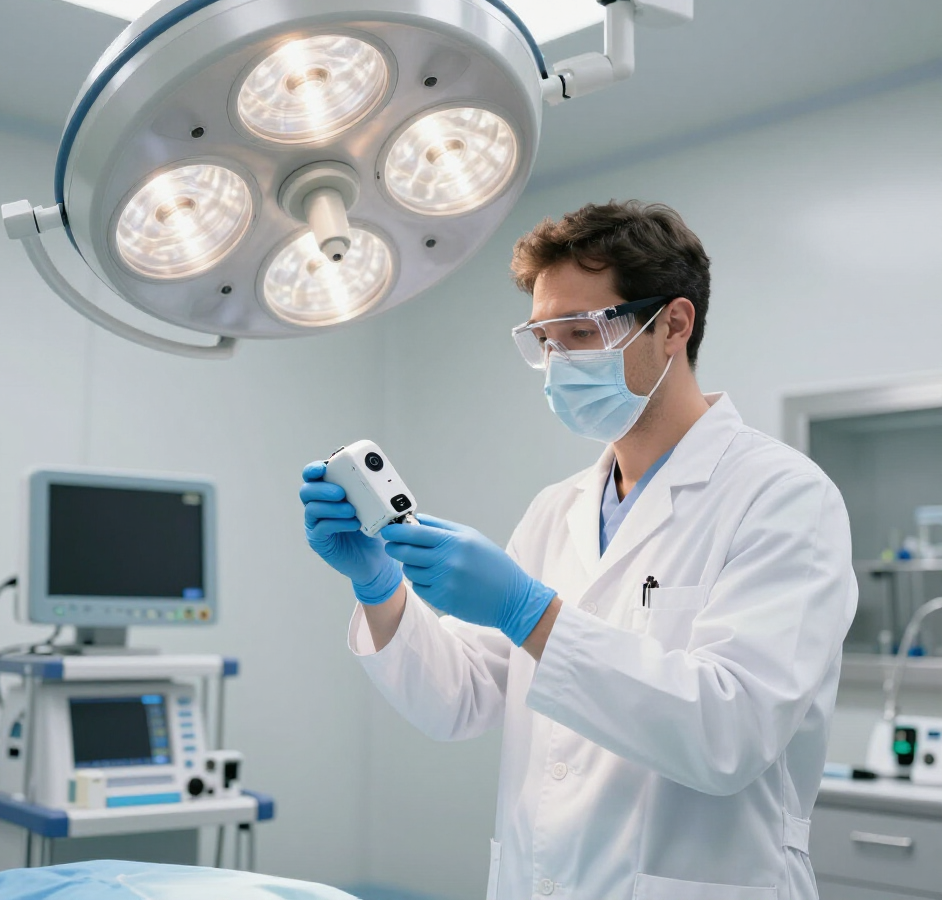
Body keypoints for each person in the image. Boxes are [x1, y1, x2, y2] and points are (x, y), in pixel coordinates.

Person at [299, 200, 857, 900]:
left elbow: (729, 733)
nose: (557, 362)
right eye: (543, 339)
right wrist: (380, 587)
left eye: (581, 332)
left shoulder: (782, 496)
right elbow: (460, 700)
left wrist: (529, 612)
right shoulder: (556, 509)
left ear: (673, 324)